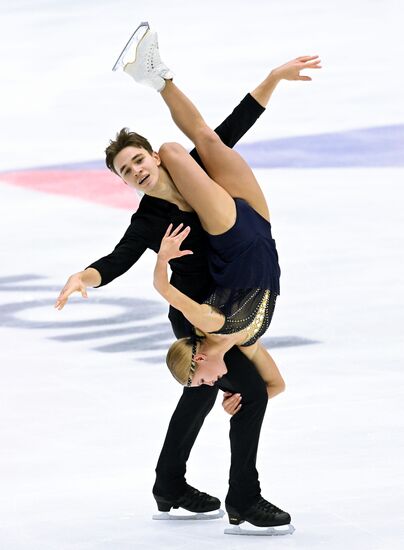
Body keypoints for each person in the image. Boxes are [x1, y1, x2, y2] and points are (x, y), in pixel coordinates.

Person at [55, 25, 319, 532]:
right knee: (253, 393)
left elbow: (228, 127)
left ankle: (168, 482)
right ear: (123, 182)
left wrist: (273, 80)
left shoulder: (192, 167)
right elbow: (119, 258)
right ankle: (243, 496)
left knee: (203, 392)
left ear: (150, 157)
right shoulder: (147, 221)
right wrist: (83, 275)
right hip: (199, 318)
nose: (135, 172)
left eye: (137, 160)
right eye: (125, 172)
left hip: (234, 284)